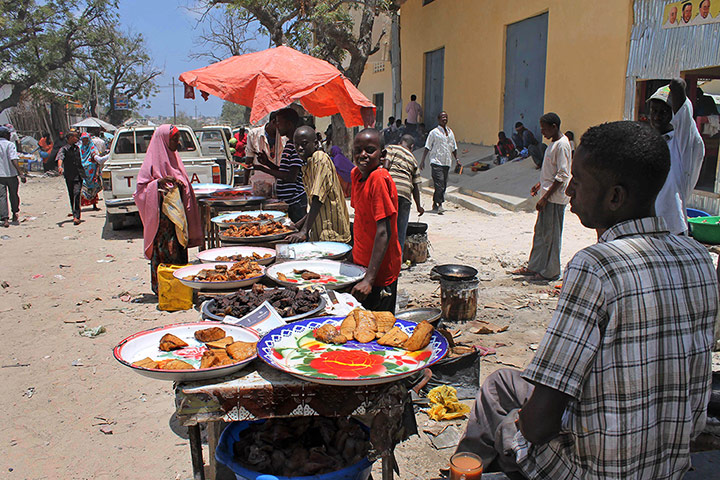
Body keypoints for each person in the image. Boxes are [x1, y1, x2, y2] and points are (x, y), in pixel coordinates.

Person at [456, 120, 718, 479]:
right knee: (502, 382)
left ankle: (462, 471)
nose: (571, 192)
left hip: (597, 469)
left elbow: (538, 424)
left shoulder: (596, 266)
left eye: (577, 183)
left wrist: (521, 423)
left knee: (506, 430)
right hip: (668, 463)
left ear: (615, 197)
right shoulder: (698, 257)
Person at [134, 125, 203, 295]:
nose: (177, 142)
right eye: (173, 139)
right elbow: (140, 191)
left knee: (179, 248)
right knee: (165, 252)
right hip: (162, 223)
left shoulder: (175, 160)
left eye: (177, 138)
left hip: (178, 220)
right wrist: (158, 183)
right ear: (163, 140)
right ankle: (163, 289)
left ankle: (181, 287)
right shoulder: (150, 163)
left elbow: (183, 183)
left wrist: (180, 185)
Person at [511, 113, 572, 281]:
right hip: (547, 195)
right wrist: (540, 185)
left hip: (555, 199)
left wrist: (545, 198)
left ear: (554, 126)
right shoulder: (553, 144)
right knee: (541, 233)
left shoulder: (562, 145)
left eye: (545, 129)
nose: (542, 132)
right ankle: (535, 266)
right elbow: (551, 172)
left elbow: (562, 176)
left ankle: (551, 271)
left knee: (551, 235)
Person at [350, 128, 402, 313]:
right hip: (362, 265)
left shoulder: (379, 179)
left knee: (378, 326)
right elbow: (360, 220)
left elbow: (383, 231)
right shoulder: (356, 175)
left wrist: (369, 280)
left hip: (378, 273)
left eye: (370, 150)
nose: (363, 155)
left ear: (382, 154)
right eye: (358, 150)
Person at [648, 78, 704, 235]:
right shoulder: (650, 142)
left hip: (671, 229)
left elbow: (678, 87)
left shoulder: (683, 144)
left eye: (664, 112)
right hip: (646, 228)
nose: (657, 117)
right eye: (654, 111)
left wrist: (677, 85)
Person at [286, 126, 351, 244]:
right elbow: (315, 204)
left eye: (304, 144)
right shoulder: (308, 164)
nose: (299, 148)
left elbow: (317, 199)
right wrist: (299, 225)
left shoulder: (320, 159)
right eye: (296, 145)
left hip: (332, 234)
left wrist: (304, 231)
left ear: (315, 143)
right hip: (320, 231)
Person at [251, 108, 307, 222]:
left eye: (279, 122)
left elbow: (290, 177)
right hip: (289, 201)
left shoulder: (296, 147)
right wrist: (267, 163)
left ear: (289, 124)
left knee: (297, 236)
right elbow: (283, 171)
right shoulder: (288, 144)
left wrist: (263, 169)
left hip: (296, 201)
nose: (276, 125)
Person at [385, 134, 424, 252]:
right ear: (411, 146)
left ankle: (384, 261)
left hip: (391, 191)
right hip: (406, 194)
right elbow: (416, 186)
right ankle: (398, 264)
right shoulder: (413, 159)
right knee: (400, 232)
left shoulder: (392, 148)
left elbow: (386, 166)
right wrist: (419, 206)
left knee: (386, 228)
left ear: (400, 142)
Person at [420, 111, 459, 214]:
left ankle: (434, 202)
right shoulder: (434, 132)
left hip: (446, 162)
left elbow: (454, 147)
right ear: (438, 119)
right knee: (439, 183)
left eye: (446, 117)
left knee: (443, 184)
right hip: (436, 161)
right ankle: (440, 204)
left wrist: (457, 159)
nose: (444, 119)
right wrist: (423, 160)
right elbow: (427, 147)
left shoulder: (450, 132)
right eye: (442, 117)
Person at [245, 112, 285, 196]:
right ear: (274, 122)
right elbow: (248, 161)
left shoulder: (284, 137)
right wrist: (245, 186)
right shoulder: (254, 134)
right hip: (260, 184)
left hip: (280, 185)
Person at [56, 130, 86, 225]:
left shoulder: (77, 148)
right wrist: (60, 167)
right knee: (72, 195)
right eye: (75, 137)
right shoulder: (64, 149)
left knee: (77, 193)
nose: (77, 138)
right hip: (69, 175)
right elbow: (60, 158)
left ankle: (77, 216)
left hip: (79, 174)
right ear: (70, 138)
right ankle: (74, 213)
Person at [0, 126, 27, 228]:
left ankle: (5, 218)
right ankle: (15, 213)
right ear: (6, 135)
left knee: (2, 197)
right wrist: (20, 173)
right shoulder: (9, 145)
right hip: (11, 174)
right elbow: (13, 159)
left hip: (0, 176)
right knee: (14, 195)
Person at [78, 133, 102, 211]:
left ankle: (94, 204)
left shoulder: (93, 149)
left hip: (92, 173)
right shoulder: (79, 149)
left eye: (86, 140)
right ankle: (79, 207)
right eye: (83, 140)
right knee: (82, 188)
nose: (84, 141)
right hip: (83, 172)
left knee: (93, 188)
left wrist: (97, 172)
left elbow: (97, 160)